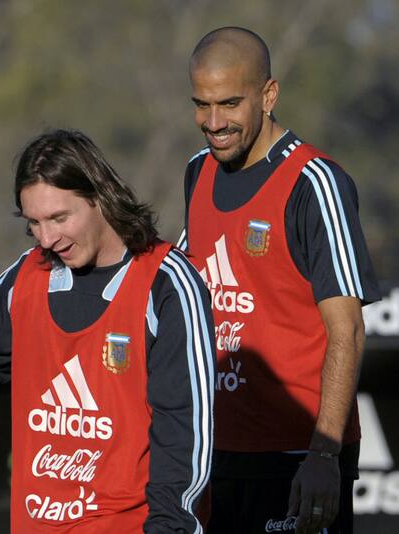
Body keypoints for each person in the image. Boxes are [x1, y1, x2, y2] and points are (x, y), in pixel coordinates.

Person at [0, 129, 215, 532]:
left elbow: (184, 437)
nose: (48, 238)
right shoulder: (29, 276)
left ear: (99, 196)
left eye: (59, 218)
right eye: (34, 223)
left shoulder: (167, 283)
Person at [179, 27, 382, 533]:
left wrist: (323, 455)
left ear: (269, 95)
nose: (213, 122)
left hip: (295, 459)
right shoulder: (196, 172)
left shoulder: (316, 183)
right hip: (216, 455)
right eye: (201, 105)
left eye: (229, 104)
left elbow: (348, 332)